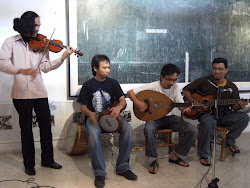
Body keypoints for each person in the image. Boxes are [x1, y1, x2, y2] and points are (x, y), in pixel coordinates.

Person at [0, 11, 74, 175]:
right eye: (37, 25)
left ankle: (48, 160)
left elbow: (45, 67)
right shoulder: (10, 42)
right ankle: (29, 164)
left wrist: (62, 57)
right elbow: (2, 63)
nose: (39, 28)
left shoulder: (42, 42)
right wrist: (20, 70)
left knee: (46, 127)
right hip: (20, 94)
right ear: (28, 25)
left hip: (39, 92)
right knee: (26, 129)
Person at [77, 55, 138, 188]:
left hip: (111, 116)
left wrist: (118, 107)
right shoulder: (88, 85)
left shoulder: (113, 83)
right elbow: (82, 106)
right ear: (95, 68)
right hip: (95, 118)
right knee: (93, 134)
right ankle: (99, 172)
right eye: (104, 67)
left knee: (127, 128)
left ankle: (123, 167)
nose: (108, 70)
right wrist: (90, 114)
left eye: (109, 67)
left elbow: (122, 100)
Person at [127, 63, 198, 174]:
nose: (171, 83)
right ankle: (153, 160)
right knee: (148, 129)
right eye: (169, 79)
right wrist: (139, 103)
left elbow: (179, 104)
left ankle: (176, 155)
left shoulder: (175, 87)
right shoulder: (153, 86)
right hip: (154, 119)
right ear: (161, 77)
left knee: (193, 130)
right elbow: (130, 92)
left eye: (174, 80)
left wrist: (184, 109)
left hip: (169, 118)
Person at [182, 57, 249, 166]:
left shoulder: (231, 87)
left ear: (226, 70)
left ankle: (229, 140)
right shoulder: (204, 81)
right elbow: (186, 90)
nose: (217, 71)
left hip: (224, 115)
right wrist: (194, 101)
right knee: (208, 122)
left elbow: (234, 107)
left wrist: (240, 106)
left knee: (245, 118)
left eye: (220, 69)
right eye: (215, 68)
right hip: (207, 114)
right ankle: (205, 155)